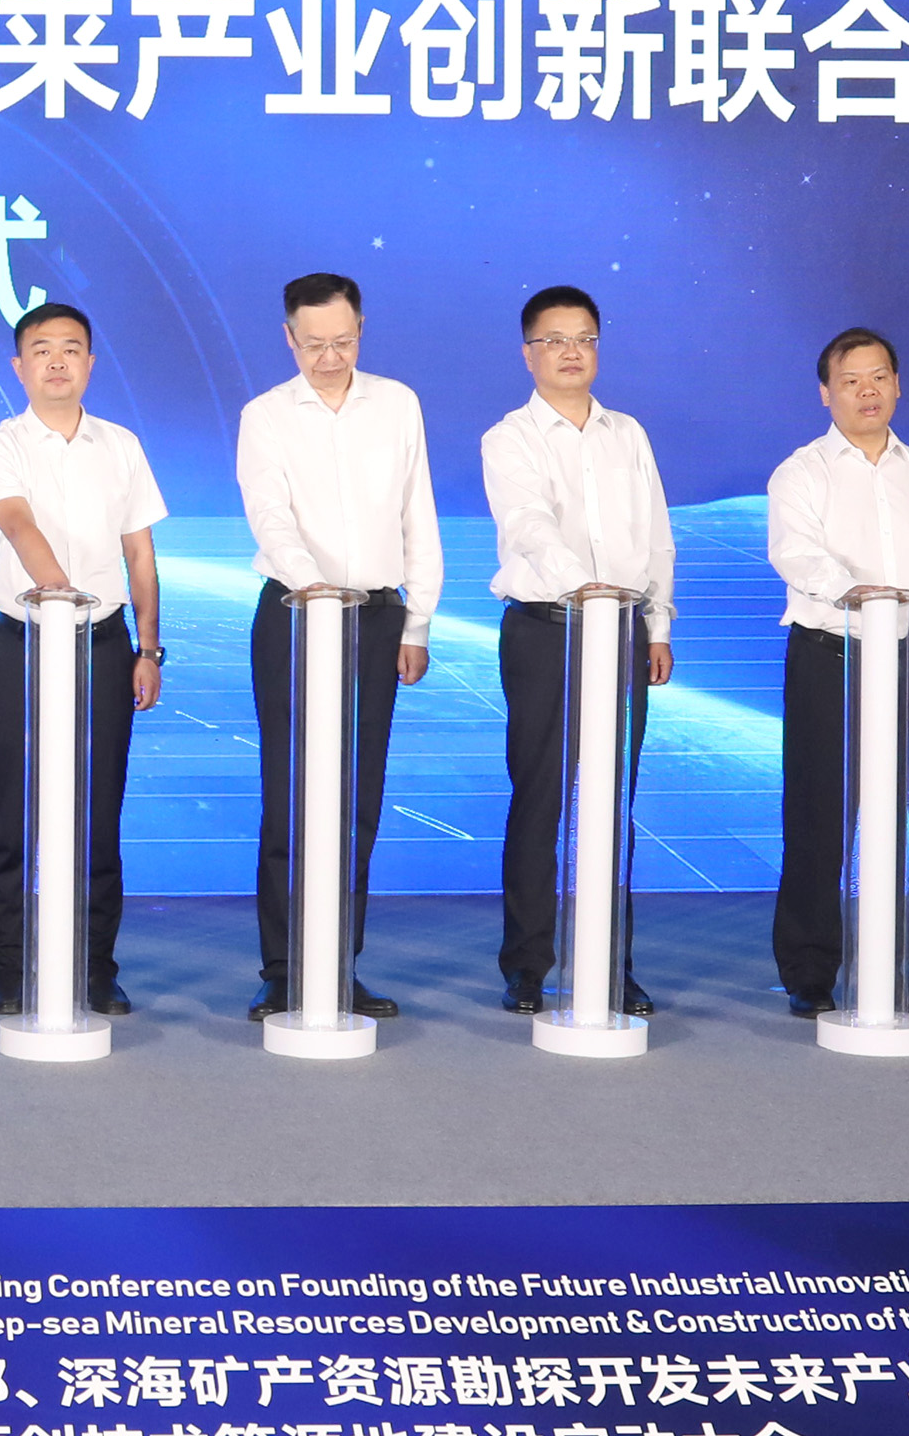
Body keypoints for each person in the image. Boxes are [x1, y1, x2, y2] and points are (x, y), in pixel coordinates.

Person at [234, 270, 440, 1019]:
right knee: (290, 793)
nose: (329, 357)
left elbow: (417, 511)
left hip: (377, 618)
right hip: (294, 614)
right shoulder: (265, 415)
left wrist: (417, 620)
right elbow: (269, 514)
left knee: (358, 796)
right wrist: (313, 587)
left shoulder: (397, 403)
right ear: (289, 337)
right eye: (314, 344)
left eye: (343, 342)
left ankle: (337, 963)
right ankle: (283, 966)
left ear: (361, 331)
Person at [481, 284, 672, 1016]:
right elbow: (527, 523)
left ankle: (610, 962)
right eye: (555, 339)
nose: (571, 352)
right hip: (546, 628)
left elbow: (655, 535)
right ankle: (527, 963)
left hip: (622, 631)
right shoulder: (509, 437)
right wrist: (582, 588)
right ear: (528, 352)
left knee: (612, 800)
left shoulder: (628, 433)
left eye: (584, 338)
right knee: (540, 798)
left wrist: (656, 625)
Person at [0, 300, 167, 1015]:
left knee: (97, 809)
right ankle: (5, 966)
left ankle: (94, 966)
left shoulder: (121, 445)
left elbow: (140, 554)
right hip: (24, 639)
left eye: (71, 349)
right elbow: (16, 521)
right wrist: (59, 595)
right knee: (11, 807)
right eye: (42, 349)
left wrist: (149, 647)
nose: (57, 361)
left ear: (90, 362)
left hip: (104, 644)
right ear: (19, 365)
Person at [765, 326, 909, 1017]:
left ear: (898, 385)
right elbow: (795, 555)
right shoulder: (801, 471)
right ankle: (809, 969)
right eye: (850, 381)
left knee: (900, 816)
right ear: (826, 393)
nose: (867, 391)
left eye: (879, 377)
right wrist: (862, 595)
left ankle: (892, 967)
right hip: (832, 656)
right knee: (818, 815)